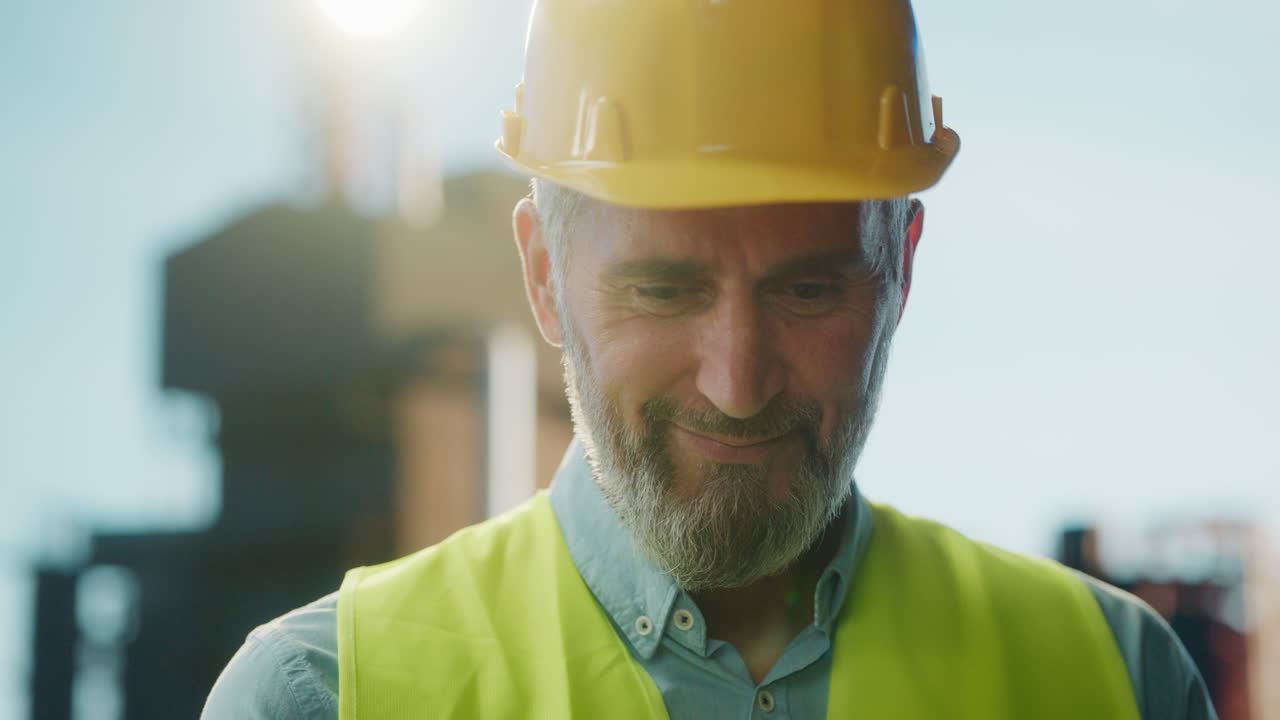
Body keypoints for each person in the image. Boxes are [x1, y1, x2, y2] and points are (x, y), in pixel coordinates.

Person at [204, 0, 1216, 717]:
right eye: (662, 289)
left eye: (808, 288)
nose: (737, 383)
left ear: (898, 271)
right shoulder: (323, 698)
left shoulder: (1116, 682)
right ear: (544, 275)